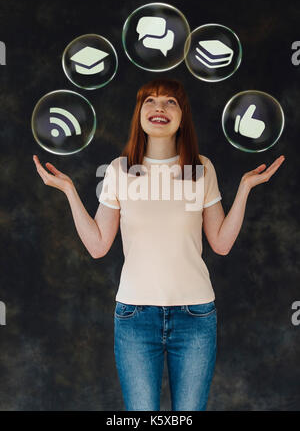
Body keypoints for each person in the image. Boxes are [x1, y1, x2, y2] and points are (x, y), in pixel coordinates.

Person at [33, 78, 285, 411]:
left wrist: (244, 188)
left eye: (171, 102)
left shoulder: (200, 169)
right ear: (139, 113)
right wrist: (68, 190)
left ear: (183, 116)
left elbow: (221, 243)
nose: (159, 107)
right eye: (149, 100)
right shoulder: (120, 170)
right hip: (135, 317)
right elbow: (97, 245)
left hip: (196, 316)